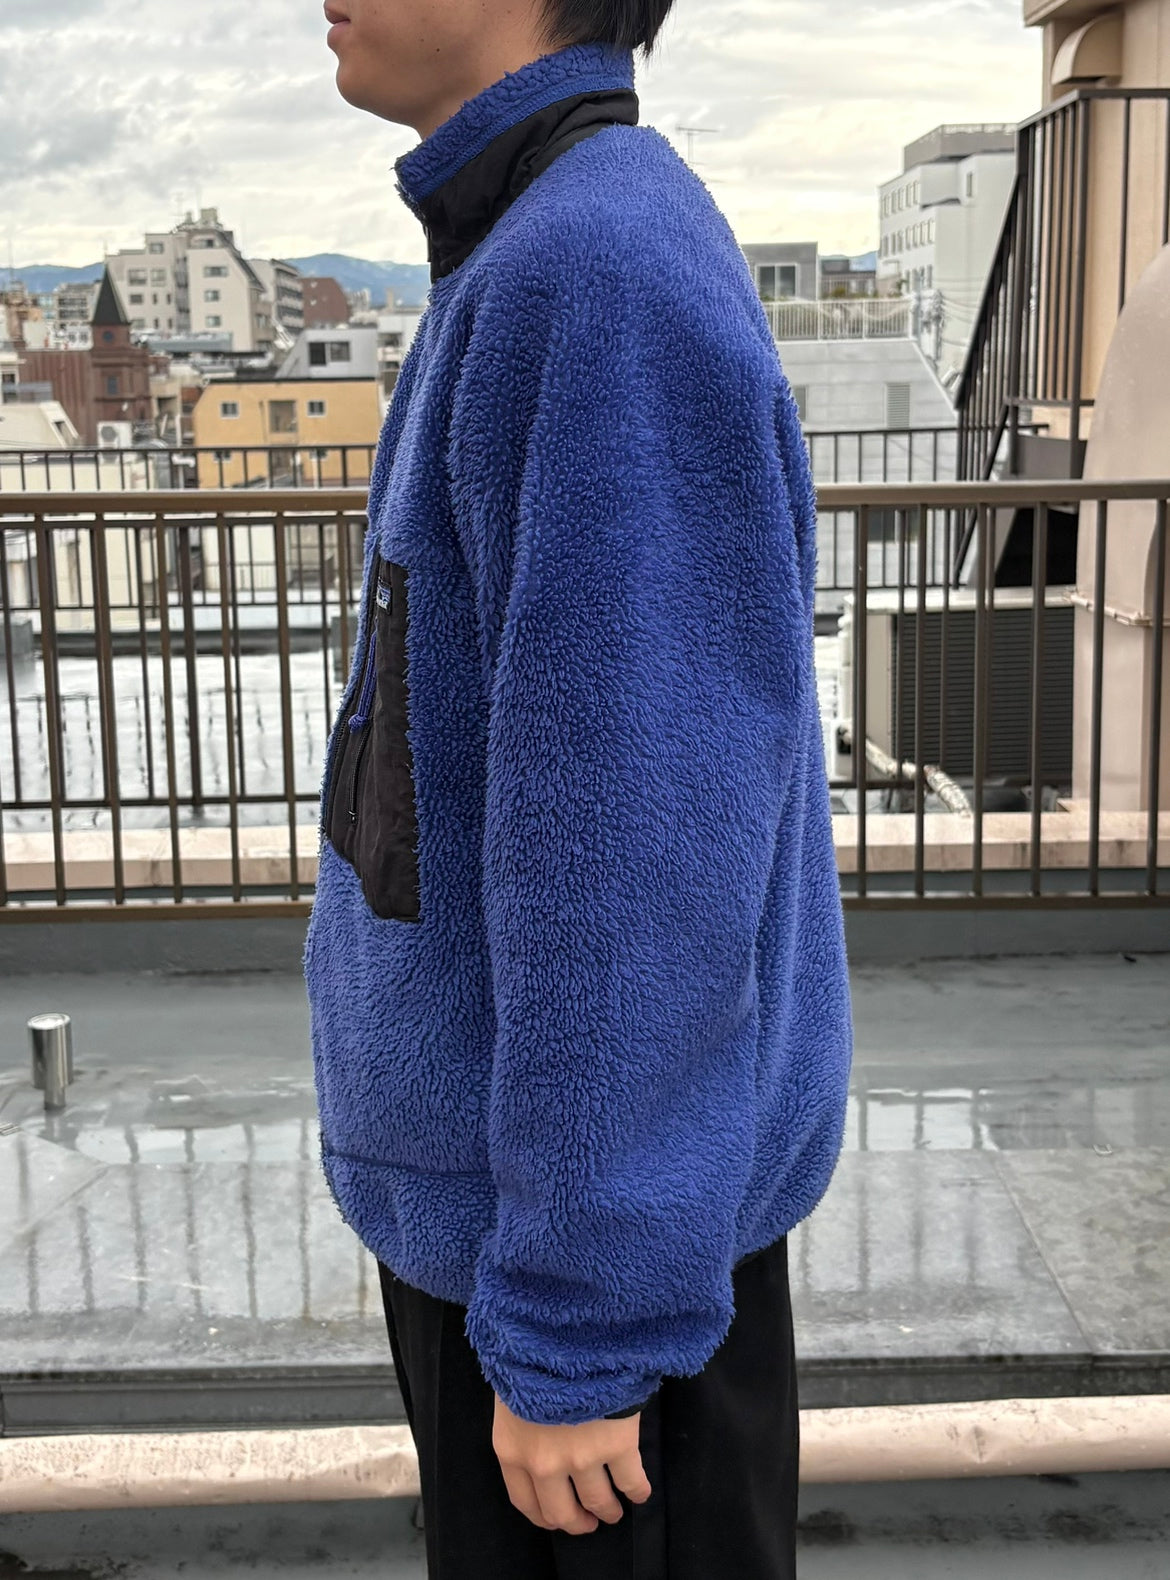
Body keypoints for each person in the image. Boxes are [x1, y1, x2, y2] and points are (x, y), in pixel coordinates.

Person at [303, 1, 855, 1575]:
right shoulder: (545, 240)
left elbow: (637, 853)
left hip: (569, 1287)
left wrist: (579, 1332)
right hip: (530, 1227)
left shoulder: (590, 270)